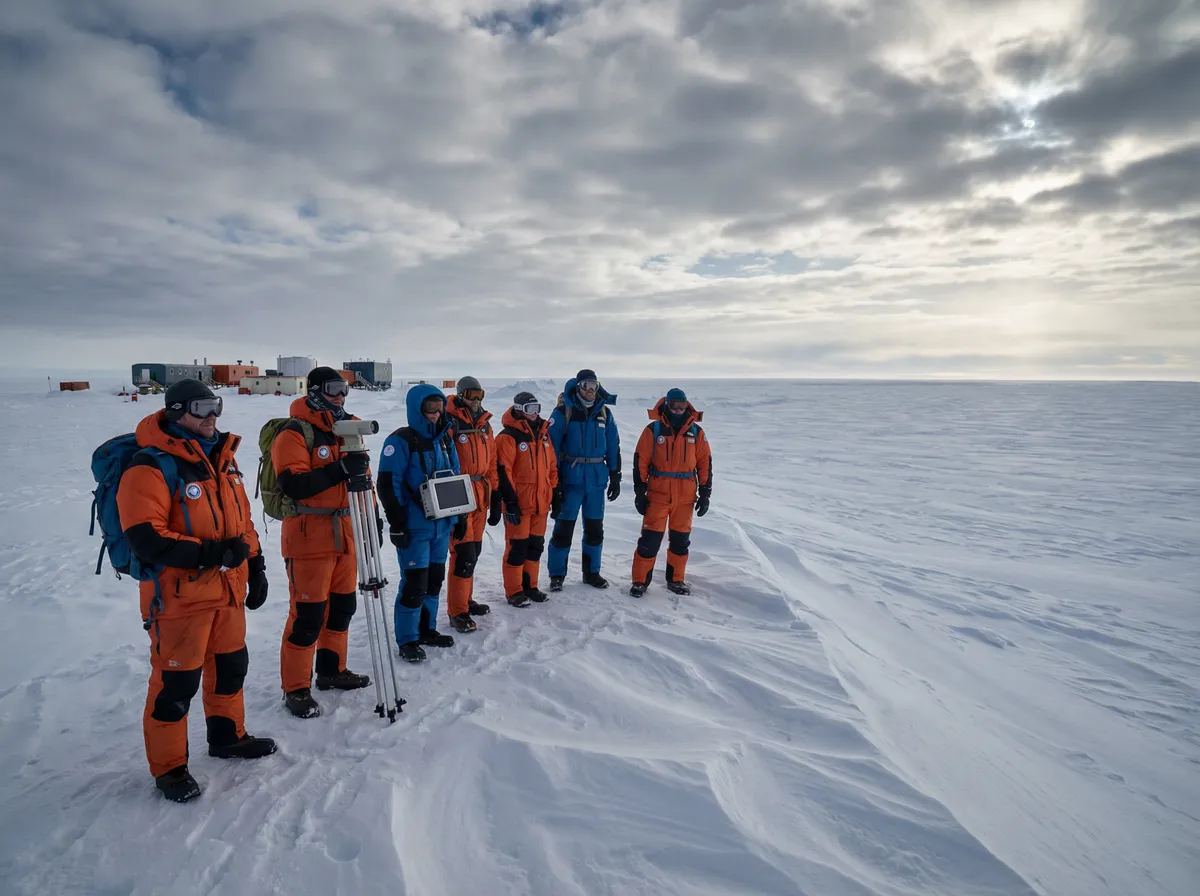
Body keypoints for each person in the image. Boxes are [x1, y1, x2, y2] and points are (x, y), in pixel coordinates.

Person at [117, 379, 275, 803]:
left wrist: (255, 564)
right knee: (175, 686)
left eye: (216, 406)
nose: (212, 417)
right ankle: (169, 769)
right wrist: (214, 553)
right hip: (178, 600)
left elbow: (242, 523)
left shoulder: (223, 460)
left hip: (227, 593)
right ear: (175, 411)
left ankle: (228, 737)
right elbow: (145, 537)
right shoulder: (149, 465)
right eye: (202, 408)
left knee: (230, 669)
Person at [272, 367, 372, 719]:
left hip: (345, 534)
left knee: (342, 609)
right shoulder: (295, 432)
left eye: (344, 390)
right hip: (308, 538)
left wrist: (371, 514)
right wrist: (341, 471)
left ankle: (331, 670)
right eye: (332, 389)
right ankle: (296, 687)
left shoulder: (350, 428)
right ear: (314, 391)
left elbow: (363, 479)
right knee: (307, 617)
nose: (340, 396)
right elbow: (294, 484)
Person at [377, 384, 463, 663]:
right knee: (415, 584)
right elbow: (388, 485)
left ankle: (427, 630)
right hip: (415, 527)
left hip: (441, 526)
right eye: (430, 408)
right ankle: (408, 639)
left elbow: (455, 479)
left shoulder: (445, 440)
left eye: (440, 407)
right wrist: (397, 521)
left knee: (434, 581)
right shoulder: (401, 441)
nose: (436, 413)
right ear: (417, 409)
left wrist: (459, 517)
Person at [630, 388, 712, 597]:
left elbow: (705, 463)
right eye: (674, 405)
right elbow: (641, 460)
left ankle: (676, 580)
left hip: (685, 498)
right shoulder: (653, 430)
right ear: (667, 406)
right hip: (658, 495)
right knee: (649, 540)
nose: (678, 410)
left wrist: (705, 493)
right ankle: (640, 582)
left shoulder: (696, 432)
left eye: (682, 406)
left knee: (680, 541)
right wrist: (640, 491)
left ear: (687, 407)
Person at [546, 369, 621, 591]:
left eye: (594, 386)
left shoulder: (604, 414)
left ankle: (592, 573)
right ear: (578, 386)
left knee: (595, 529)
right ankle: (557, 575)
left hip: (596, 482)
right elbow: (551, 449)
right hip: (570, 480)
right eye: (586, 385)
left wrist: (615, 475)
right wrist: (555, 483)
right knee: (563, 530)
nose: (590, 391)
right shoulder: (563, 413)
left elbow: (613, 445)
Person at [444, 376, 497, 633]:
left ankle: (465, 599)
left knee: (473, 553)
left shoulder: (485, 425)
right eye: (471, 394)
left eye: (480, 394)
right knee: (462, 555)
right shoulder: (450, 422)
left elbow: (493, 461)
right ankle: (457, 611)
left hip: (481, 493)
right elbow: (445, 464)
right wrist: (456, 507)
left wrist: (495, 495)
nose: (476, 400)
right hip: (460, 493)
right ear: (461, 394)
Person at [496, 391, 559, 606]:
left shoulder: (543, 434)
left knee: (535, 546)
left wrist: (555, 493)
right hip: (519, 505)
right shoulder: (508, 436)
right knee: (517, 549)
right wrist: (510, 502)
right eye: (530, 409)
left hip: (541, 504)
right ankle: (514, 591)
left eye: (537, 408)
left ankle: (530, 586)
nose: (535, 414)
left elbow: (551, 467)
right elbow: (504, 471)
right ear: (518, 409)